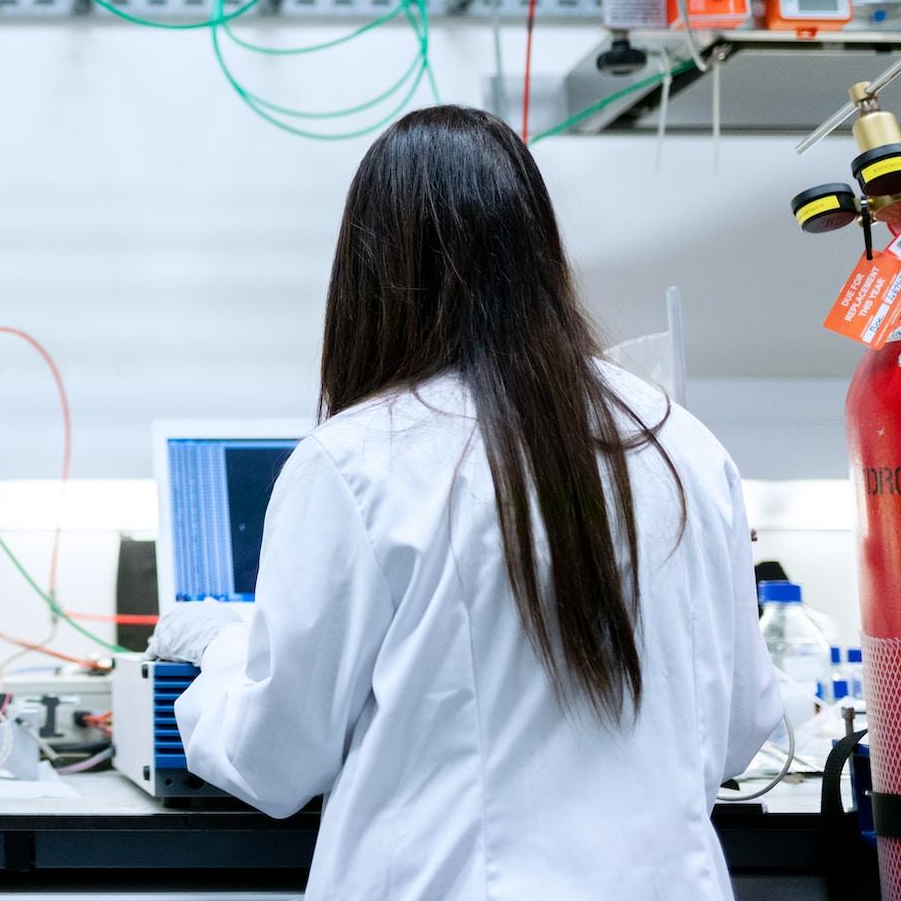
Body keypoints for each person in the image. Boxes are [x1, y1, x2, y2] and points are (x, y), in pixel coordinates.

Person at [152, 105, 781, 901]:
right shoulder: (678, 443)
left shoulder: (359, 461)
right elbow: (737, 730)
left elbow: (277, 757)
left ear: (372, 273)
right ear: (540, 252)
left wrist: (216, 653)